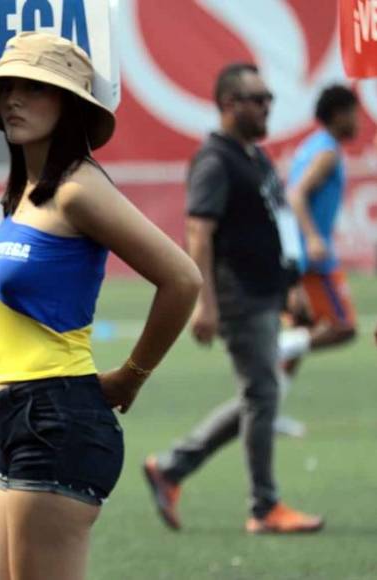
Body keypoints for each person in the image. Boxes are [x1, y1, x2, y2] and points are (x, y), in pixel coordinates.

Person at [0, 32, 201, 580]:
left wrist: (131, 376)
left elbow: (183, 279)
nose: (13, 100)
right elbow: (2, 278)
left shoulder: (79, 188)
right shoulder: (26, 193)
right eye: (8, 89)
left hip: (60, 420)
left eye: (34, 88)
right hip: (17, 423)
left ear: (70, 104)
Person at [143, 63, 325, 534]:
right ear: (228, 104)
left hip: (267, 292)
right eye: (258, 98)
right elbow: (199, 234)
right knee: (263, 393)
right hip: (239, 296)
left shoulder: (254, 157)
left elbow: (277, 222)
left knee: (259, 396)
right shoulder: (215, 160)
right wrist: (204, 303)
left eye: (269, 98)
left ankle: (172, 468)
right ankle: (264, 507)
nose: (268, 106)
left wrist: (292, 284)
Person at [272, 85, 361, 437]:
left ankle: (270, 412)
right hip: (314, 258)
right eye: (353, 112)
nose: (357, 120)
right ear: (339, 114)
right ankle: (280, 343)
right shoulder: (327, 153)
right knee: (344, 328)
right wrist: (312, 237)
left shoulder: (312, 146)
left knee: (300, 336)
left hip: (296, 256)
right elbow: (296, 195)